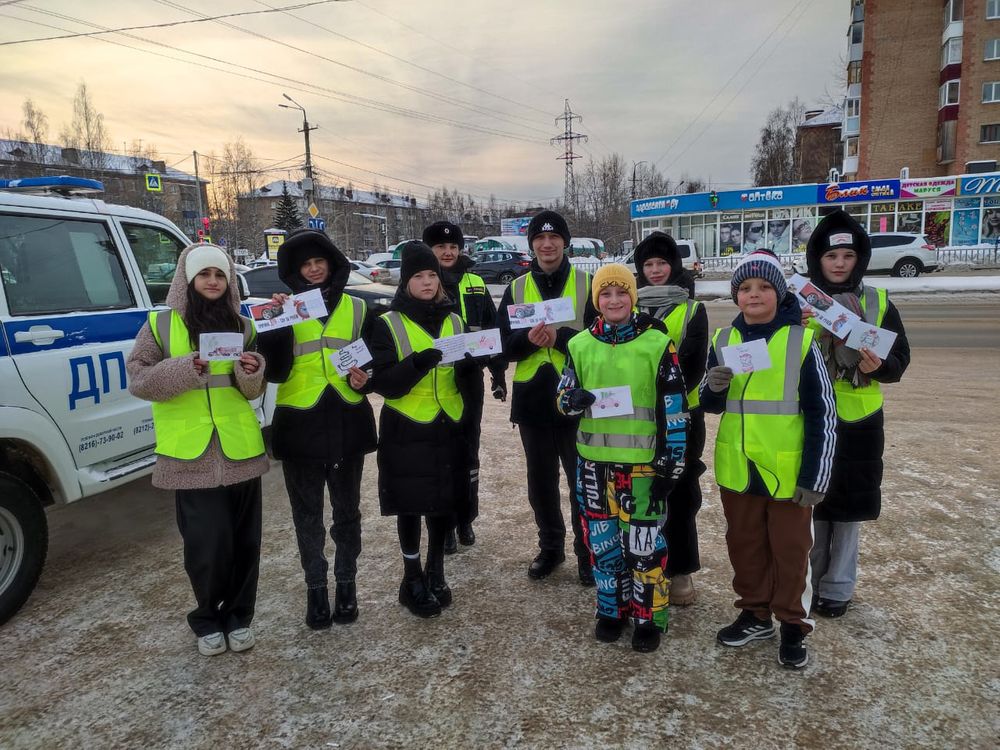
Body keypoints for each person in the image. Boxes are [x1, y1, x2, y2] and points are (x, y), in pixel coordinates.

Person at [126, 244, 268, 656]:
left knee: (246, 543)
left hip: (240, 447)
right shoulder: (160, 325)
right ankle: (207, 618)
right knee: (207, 546)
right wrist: (185, 368)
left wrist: (253, 371)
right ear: (187, 280)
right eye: (204, 274)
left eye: (220, 275)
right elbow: (138, 379)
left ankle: (239, 617)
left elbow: (251, 390)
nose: (212, 281)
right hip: (190, 453)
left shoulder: (244, 326)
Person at [700, 250, 836, 669]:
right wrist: (713, 386)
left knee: (791, 551)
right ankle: (755, 613)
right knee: (745, 546)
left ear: (779, 293)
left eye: (763, 287)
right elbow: (710, 404)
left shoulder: (801, 341)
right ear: (735, 296)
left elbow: (823, 413)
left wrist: (816, 476)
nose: (753, 294)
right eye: (744, 288)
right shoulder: (724, 340)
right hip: (738, 469)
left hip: (786, 471)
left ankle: (793, 624)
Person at [557, 264, 688, 652]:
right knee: (603, 547)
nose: (613, 300)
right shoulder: (579, 345)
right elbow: (562, 398)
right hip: (593, 468)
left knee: (645, 549)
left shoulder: (657, 344)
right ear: (596, 300)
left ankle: (648, 617)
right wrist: (570, 400)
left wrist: (672, 463)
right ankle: (611, 610)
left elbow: (675, 409)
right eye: (605, 293)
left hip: (643, 468)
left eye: (621, 293)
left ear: (633, 297)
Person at [255, 229, 376, 630]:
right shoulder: (284, 310)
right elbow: (274, 371)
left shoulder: (358, 307)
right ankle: (316, 590)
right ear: (295, 272)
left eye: (318, 261)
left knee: (347, 513)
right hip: (300, 425)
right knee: (307, 516)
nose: (312, 269)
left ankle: (346, 584)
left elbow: (376, 359)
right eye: (305, 265)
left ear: (332, 263)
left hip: (347, 421)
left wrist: (367, 378)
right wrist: (276, 323)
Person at [800, 209, 910, 618]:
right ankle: (810, 583)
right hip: (812, 418)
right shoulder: (801, 301)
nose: (839, 264)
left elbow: (899, 360)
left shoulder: (877, 301)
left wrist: (878, 368)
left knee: (848, 513)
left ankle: (838, 587)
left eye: (847, 256)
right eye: (831, 256)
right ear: (818, 259)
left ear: (859, 258)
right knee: (812, 505)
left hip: (860, 421)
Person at [370, 241, 479, 618]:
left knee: (443, 502)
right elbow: (384, 384)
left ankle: (436, 571)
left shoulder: (455, 320)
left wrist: (476, 360)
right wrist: (418, 363)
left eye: (433, 275)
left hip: (449, 423)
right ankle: (411, 578)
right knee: (410, 506)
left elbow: (464, 377)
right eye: (419, 276)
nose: (428, 282)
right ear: (405, 282)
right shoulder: (387, 323)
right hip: (407, 427)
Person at [497, 210, 597, 584]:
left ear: (565, 242)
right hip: (533, 401)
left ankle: (587, 553)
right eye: (540, 238)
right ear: (532, 245)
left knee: (581, 483)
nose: (547, 244)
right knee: (540, 484)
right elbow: (503, 346)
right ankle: (551, 548)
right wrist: (527, 340)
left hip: (576, 401)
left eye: (554, 237)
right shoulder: (517, 288)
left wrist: (561, 338)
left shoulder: (588, 284)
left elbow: (602, 340)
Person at [421, 220, 507, 553]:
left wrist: (497, 372)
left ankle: (465, 519)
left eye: (453, 247)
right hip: (433, 382)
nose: (447, 252)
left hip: (469, 378)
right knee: (438, 455)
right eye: (440, 247)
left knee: (468, 451)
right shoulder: (423, 283)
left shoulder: (474, 282)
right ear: (429, 250)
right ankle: (442, 525)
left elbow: (492, 329)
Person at [634, 231, 708, 605]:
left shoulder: (692, 309)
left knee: (680, 495)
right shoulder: (628, 305)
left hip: (683, 418)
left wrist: (662, 397)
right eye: (648, 264)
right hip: (638, 419)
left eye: (662, 263)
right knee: (642, 494)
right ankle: (645, 567)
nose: (656, 270)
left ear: (674, 266)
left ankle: (680, 571)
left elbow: (693, 367)